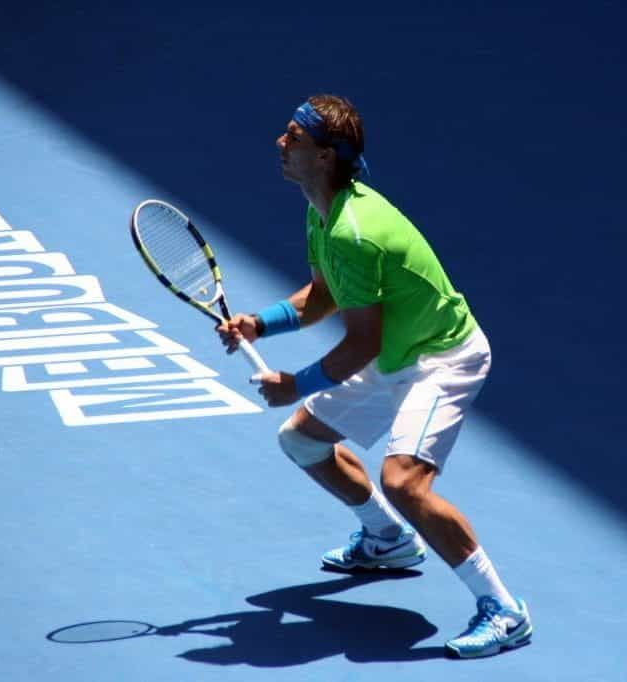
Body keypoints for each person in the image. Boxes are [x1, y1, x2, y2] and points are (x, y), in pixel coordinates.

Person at [216, 94, 532, 658]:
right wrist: (259, 325)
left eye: (294, 137)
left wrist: (296, 384)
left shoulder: (353, 231)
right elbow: (322, 297)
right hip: (393, 352)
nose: (280, 143)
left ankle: (504, 610)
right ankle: (387, 540)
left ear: (325, 157)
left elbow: (361, 341)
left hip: (441, 357)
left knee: (405, 481)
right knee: (301, 440)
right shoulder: (322, 210)